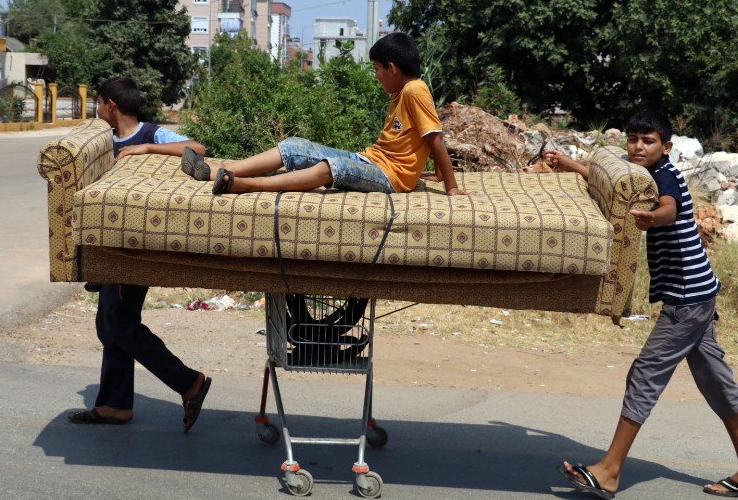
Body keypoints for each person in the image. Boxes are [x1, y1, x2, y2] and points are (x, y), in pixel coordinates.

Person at [545, 110, 738, 499]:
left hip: (687, 299)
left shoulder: (665, 175)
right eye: (632, 139)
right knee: (716, 382)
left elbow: (671, 207)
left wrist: (654, 218)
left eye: (647, 141)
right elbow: (612, 184)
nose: (637, 147)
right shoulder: (646, 173)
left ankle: (611, 470)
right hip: (697, 294)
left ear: (665, 147)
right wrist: (573, 165)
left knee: (645, 374)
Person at [68, 76, 211, 433]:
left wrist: (147, 150)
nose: (96, 110)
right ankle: (115, 405)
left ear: (111, 105)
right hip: (108, 247)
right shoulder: (102, 143)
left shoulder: (151, 134)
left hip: (135, 249)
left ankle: (189, 382)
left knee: (119, 323)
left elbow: (198, 148)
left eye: (99, 103)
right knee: (109, 325)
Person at [183, 32, 468, 197]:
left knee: (333, 168)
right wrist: (438, 175)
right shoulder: (400, 92)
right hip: (371, 160)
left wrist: (452, 187)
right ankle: (211, 172)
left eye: (377, 69)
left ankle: (244, 185)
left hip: (389, 177)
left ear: (392, 68)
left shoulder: (415, 90)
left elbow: (435, 139)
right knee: (295, 146)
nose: (376, 75)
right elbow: (416, 141)